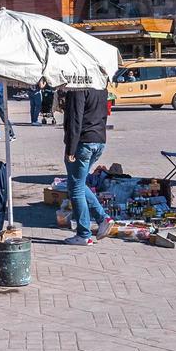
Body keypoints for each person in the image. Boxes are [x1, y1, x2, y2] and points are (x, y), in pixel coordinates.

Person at [61, 81, 115, 246]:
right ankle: (103, 218)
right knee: (78, 183)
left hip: (83, 143)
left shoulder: (78, 88)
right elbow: (104, 114)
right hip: (99, 140)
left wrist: (70, 148)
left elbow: (75, 119)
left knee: (75, 189)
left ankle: (84, 233)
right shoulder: (100, 87)